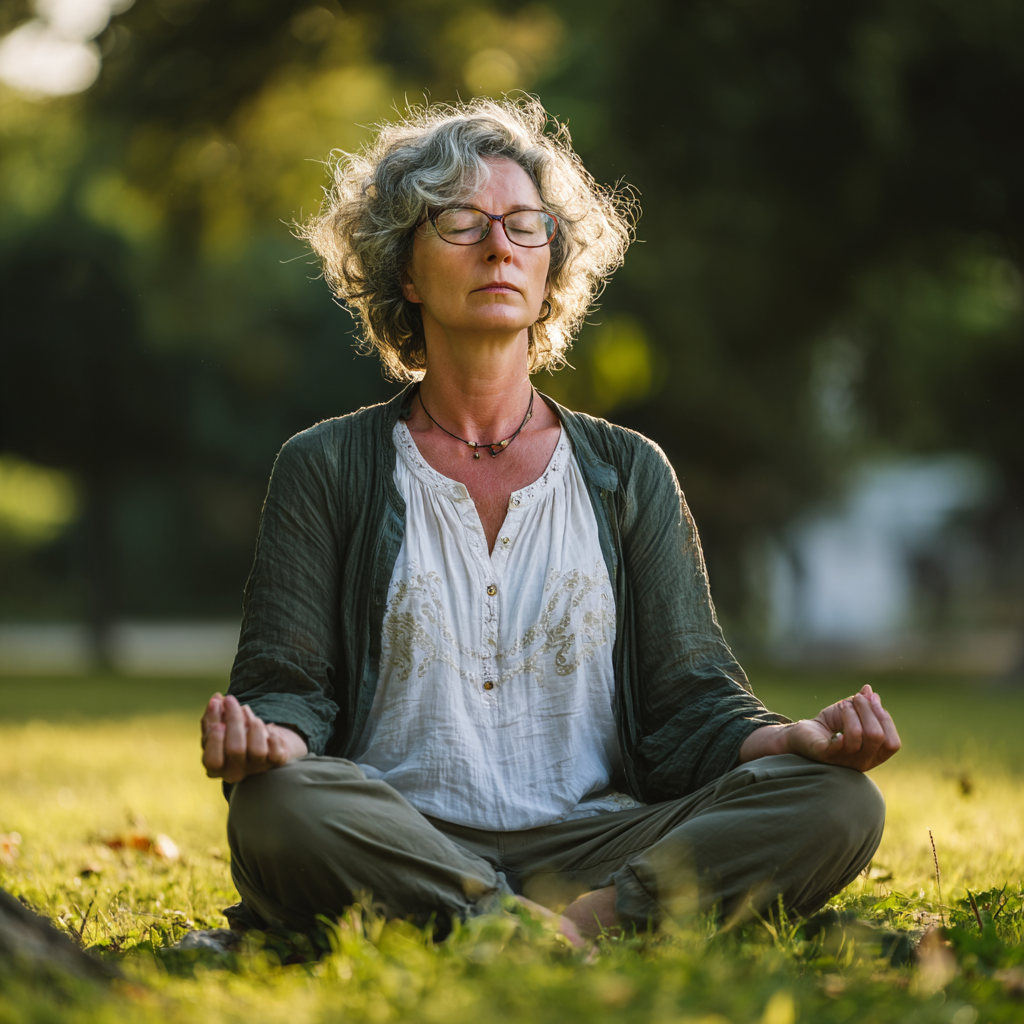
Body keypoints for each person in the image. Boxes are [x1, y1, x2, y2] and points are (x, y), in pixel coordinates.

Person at [199, 98, 900, 945]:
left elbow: (692, 707)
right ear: (406, 272)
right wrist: (267, 741)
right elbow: (287, 684)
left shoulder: (628, 470)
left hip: (603, 846)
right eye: (459, 221)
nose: (498, 246)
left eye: (525, 225)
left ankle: (564, 926)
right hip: (403, 835)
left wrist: (796, 737)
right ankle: (529, 929)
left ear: (550, 269)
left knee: (837, 799)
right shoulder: (326, 465)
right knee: (279, 805)